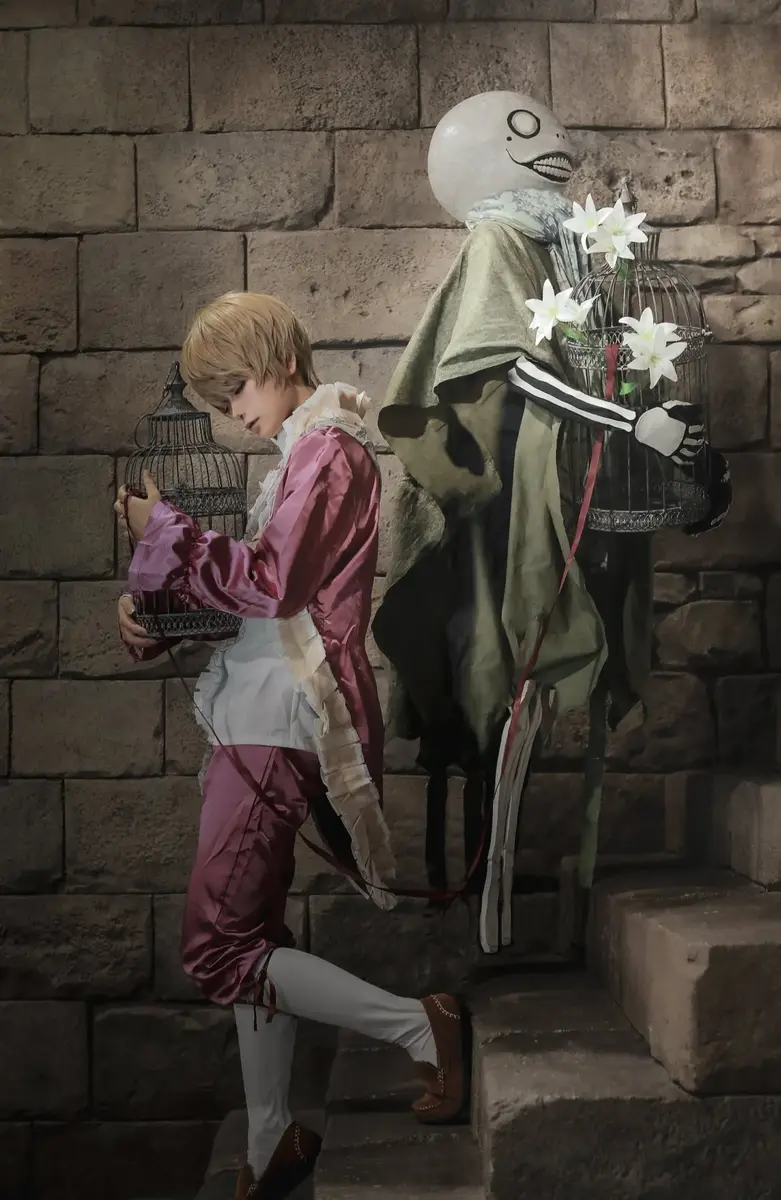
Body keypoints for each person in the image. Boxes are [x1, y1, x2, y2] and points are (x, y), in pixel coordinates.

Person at [115, 292, 470, 1200]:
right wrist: (155, 619)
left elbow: (272, 586)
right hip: (260, 713)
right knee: (252, 936)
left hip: (278, 720)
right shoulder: (303, 454)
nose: (232, 412)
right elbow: (261, 608)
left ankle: (421, 1027)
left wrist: (166, 534)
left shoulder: (328, 452)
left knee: (217, 947)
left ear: (278, 358)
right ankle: (270, 1140)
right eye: (218, 399)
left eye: (236, 386)